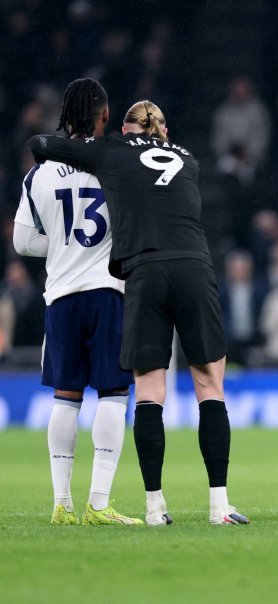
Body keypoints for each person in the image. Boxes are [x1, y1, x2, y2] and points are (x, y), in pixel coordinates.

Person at [29, 100, 249, 526]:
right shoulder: (189, 159)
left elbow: (42, 143)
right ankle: (220, 505)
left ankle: (154, 508)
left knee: (149, 391)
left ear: (126, 129)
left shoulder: (112, 149)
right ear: (164, 131)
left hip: (145, 272)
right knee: (210, 384)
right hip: (193, 266)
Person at [13, 78, 140, 525]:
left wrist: (66, 248)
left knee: (65, 399)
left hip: (61, 297)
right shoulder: (120, 164)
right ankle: (99, 503)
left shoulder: (39, 172)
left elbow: (23, 242)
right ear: (104, 115)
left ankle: (61, 505)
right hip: (109, 292)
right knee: (113, 394)